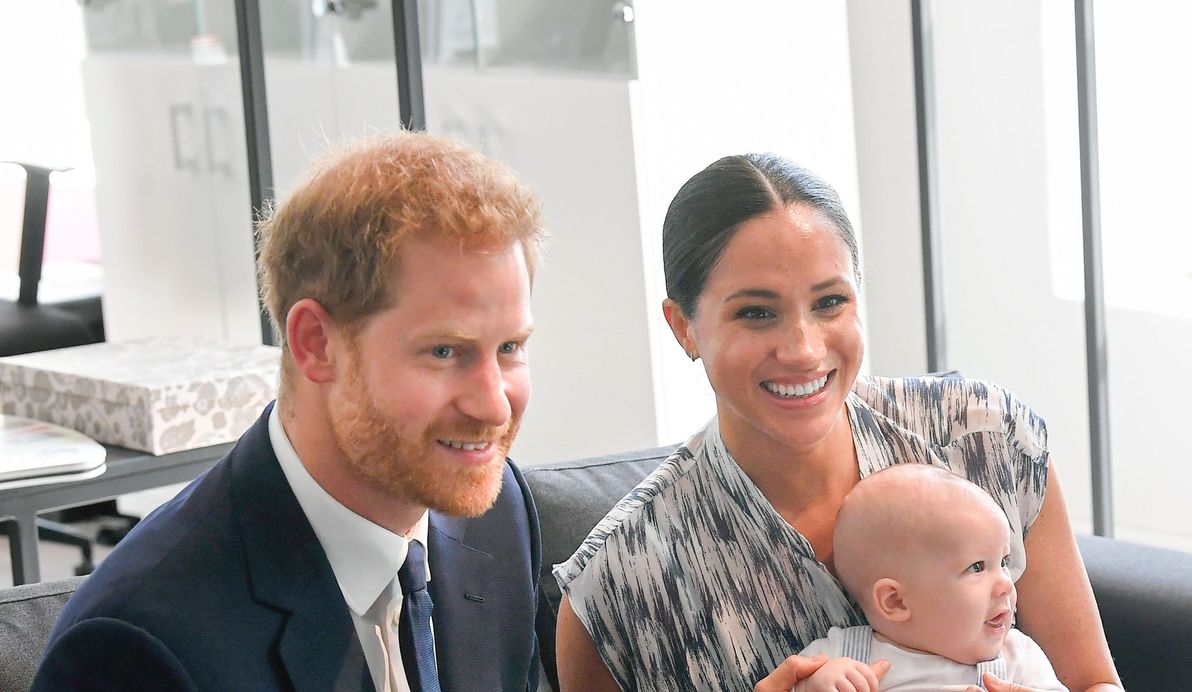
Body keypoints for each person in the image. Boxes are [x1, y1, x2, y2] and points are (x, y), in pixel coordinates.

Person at [553, 153, 1122, 692]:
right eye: (756, 313)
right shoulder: (621, 584)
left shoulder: (985, 440)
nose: (803, 350)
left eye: (829, 303)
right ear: (684, 328)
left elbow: (1096, 681)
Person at [32, 132, 546, 691]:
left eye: (510, 348)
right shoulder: (137, 648)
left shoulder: (496, 516)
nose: (493, 404)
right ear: (315, 344)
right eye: (445, 352)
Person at [796, 463, 1067, 692]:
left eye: (1004, 562)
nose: (1006, 584)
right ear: (896, 601)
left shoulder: (1017, 658)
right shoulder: (840, 656)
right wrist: (816, 684)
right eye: (976, 567)